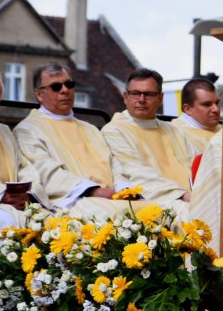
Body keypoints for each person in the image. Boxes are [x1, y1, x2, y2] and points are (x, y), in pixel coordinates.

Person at [14, 63, 144, 222]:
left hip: (111, 196)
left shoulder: (90, 128)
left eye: (69, 84)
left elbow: (113, 163)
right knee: (119, 216)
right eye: (56, 87)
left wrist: (123, 188)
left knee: (153, 211)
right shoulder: (28, 130)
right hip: (73, 201)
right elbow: (46, 173)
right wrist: (93, 191)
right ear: (39, 94)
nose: (65, 90)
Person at [101, 68, 199, 222]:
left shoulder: (175, 131)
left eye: (148, 94)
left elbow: (198, 167)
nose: (141, 99)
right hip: (155, 201)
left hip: (191, 197)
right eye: (135, 93)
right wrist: (184, 196)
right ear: (125, 97)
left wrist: (201, 194)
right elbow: (136, 173)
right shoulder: (114, 130)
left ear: (160, 98)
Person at [0, 68, 51, 235]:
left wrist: (27, 193)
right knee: (5, 221)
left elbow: (24, 167)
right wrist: (1, 195)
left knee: (51, 220)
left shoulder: (4, 131)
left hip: (14, 203)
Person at [172, 77, 221, 152]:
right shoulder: (174, 135)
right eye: (207, 104)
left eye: (217, 103)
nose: (216, 109)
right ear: (187, 109)